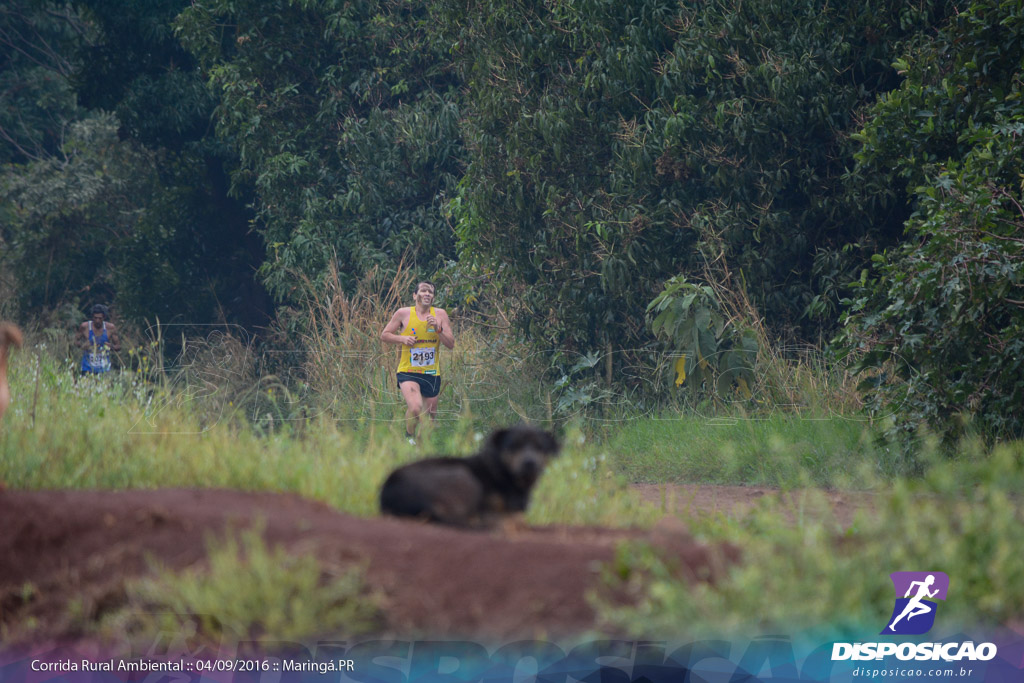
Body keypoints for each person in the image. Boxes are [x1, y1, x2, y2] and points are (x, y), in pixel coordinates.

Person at [380, 281, 455, 443]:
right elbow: (384, 335)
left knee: (429, 418)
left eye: (431, 292)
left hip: (431, 372)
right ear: (415, 295)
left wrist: (438, 329)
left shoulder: (440, 315)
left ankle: (420, 450)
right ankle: (409, 437)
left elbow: (450, 344)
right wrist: (402, 339)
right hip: (408, 370)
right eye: (424, 291)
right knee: (415, 408)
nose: (428, 294)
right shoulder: (403, 313)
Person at [77, 304, 121, 375]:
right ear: (92, 317)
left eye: (100, 318)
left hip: (104, 367)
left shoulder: (110, 328)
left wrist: (111, 347)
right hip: (87, 367)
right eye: (95, 318)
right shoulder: (85, 327)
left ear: (104, 317)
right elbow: (75, 341)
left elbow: (118, 346)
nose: (97, 321)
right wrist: (83, 346)